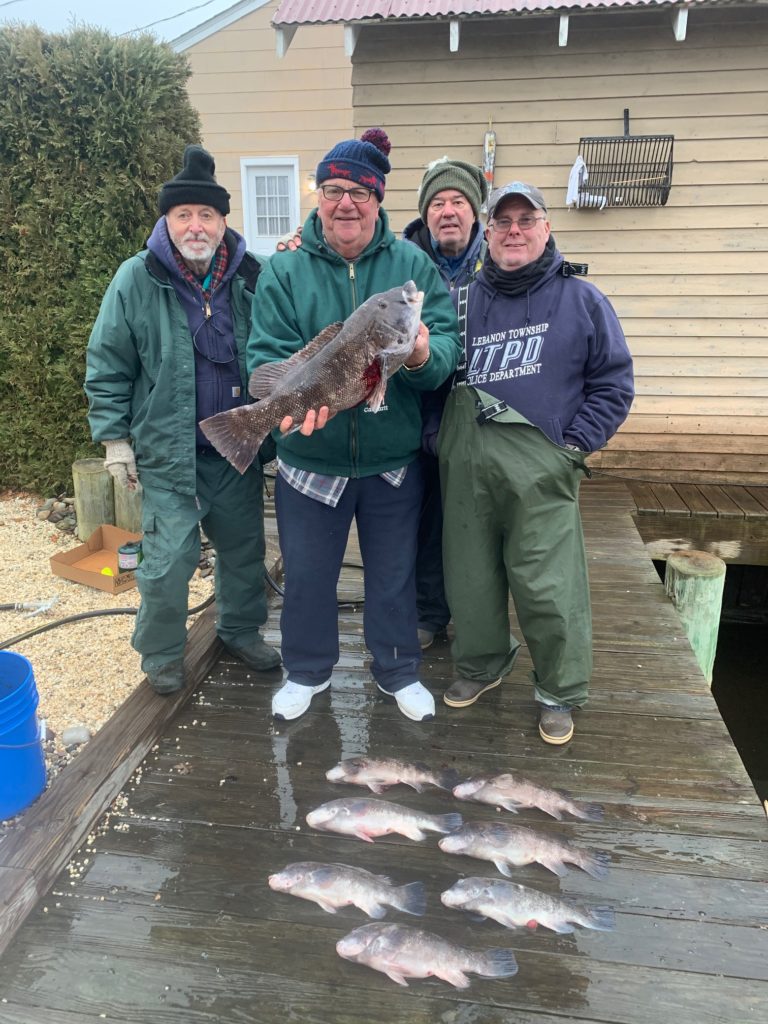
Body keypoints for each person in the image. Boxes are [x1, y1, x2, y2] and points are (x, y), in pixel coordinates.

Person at [247, 128, 461, 723]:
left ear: (379, 199)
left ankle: (397, 670)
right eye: (334, 189)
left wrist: (420, 356)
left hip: (392, 459)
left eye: (360, 193)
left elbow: (444, 345)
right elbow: (266, 352)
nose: (347, 203)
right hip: (309, 455)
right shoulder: (284, 270)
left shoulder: (411, 266)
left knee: (392, 576)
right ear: (319, 196)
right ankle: (306, 671)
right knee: (309, 576)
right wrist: (289, 407)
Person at [438, 181, 634, 744]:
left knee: (551, 589)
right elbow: (435, 382)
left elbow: (614, 385)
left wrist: (574, 447)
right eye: (503, 223)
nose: (514, 231)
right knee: (470, 580)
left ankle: (558, 691)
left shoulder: (583, 300)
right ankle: (481, 666)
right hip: (467, 470)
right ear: (488, 233)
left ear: (546, 228)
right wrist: (437, 441)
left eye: (527, 220)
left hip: (543, 470)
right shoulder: (462, 301)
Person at [85, 144, 281, 695]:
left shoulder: (251, 277)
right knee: (168, 564)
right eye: (183, 215)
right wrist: (115, 442)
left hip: (235, 452)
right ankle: (163, 656)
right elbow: (107, 363)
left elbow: (276, 352)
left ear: (222, 220)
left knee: (244, 553)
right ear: (167, 221)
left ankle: (241, 630)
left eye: (206, 214)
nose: (195, 225)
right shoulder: (136, 278)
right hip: (169, 456)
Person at [402, 157, 488, 650]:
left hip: (479, 416)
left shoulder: (498, 260)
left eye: (458, 202)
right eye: (438, 203)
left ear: (475, 212)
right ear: (425, 213)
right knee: (418, 523)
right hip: (415, 413)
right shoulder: (403, 262)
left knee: (471, 527)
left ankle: (479, 624)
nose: (448, 211)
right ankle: (426, 614)